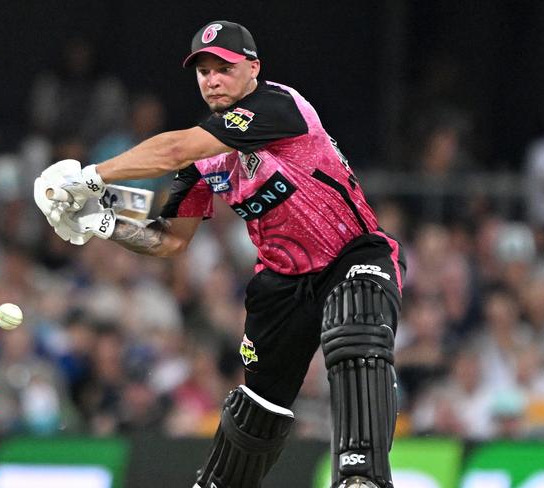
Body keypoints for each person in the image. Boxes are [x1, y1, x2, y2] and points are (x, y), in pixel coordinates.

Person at [34, 20, 406, 488]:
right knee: (257, 409)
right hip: (281, 281)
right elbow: (170, 238)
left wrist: (91, 178)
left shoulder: (279, 105)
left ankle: (362, 477)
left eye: (224, 68)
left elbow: (172, 148)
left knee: (356, 330)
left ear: (253, 68)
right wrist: (102, 223)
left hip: (352, 253)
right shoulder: (204, 159)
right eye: (203, 71)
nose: (212, 79)